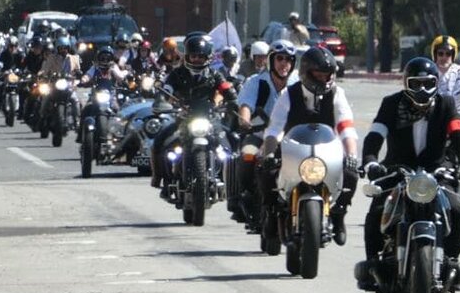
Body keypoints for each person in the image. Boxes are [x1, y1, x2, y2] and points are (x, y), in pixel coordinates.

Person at [357, 57, 460, 292]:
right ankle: (372, 265)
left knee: (455, 209)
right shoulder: (391, 104)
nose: (422, 90)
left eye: (428, 83)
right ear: (405, 84)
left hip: (436, 171)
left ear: (437, 83)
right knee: (377, 211)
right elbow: (375, 135)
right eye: (416, 84)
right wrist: (370, 161)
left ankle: (451, 260)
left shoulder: (447, 104)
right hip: (398, 170)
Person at [259, 47, 358, 244]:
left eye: (327, 75)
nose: (323, 79)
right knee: (265, 171)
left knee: (351, 174)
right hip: (293, 148)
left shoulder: (337, 94)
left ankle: (339, 214)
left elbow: (346, 127)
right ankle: (270, 213)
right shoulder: (289, 94)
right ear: (306, 73)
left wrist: (352, 155)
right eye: (318, 75)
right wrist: (269, 153)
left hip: (326, 149)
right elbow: (275, 129)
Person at [150, 32, 236, 195]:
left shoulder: (215, 75)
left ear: (208, 58)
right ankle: (160, 178)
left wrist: (233, 101)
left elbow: (226, 89)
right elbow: (166, 90)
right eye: (193, 56)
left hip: (210, 117)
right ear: (187, 56)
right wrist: (161, 100)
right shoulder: (177, 74)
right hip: (184, 117)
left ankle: (229, 182)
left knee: (230, 144)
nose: (196, 59)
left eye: (200, 56)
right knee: (160, 140)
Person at [234, 40, 298, 227]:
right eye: (279, 58)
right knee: (248, 154)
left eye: (288, 59)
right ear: (271, 60)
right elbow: (245, 105)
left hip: (289, 138)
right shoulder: (256, 82)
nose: (283, 63)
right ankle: (245, 195)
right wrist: (244, 119)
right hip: (259, 134)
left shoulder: (297, 84)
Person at [429, 34, 460, 111]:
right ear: (434, 54)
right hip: (434, 117)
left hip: (458, 116)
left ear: (453, 55)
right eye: (440, 53)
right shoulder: (429, 72)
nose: (444, 57)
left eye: (448, 54)